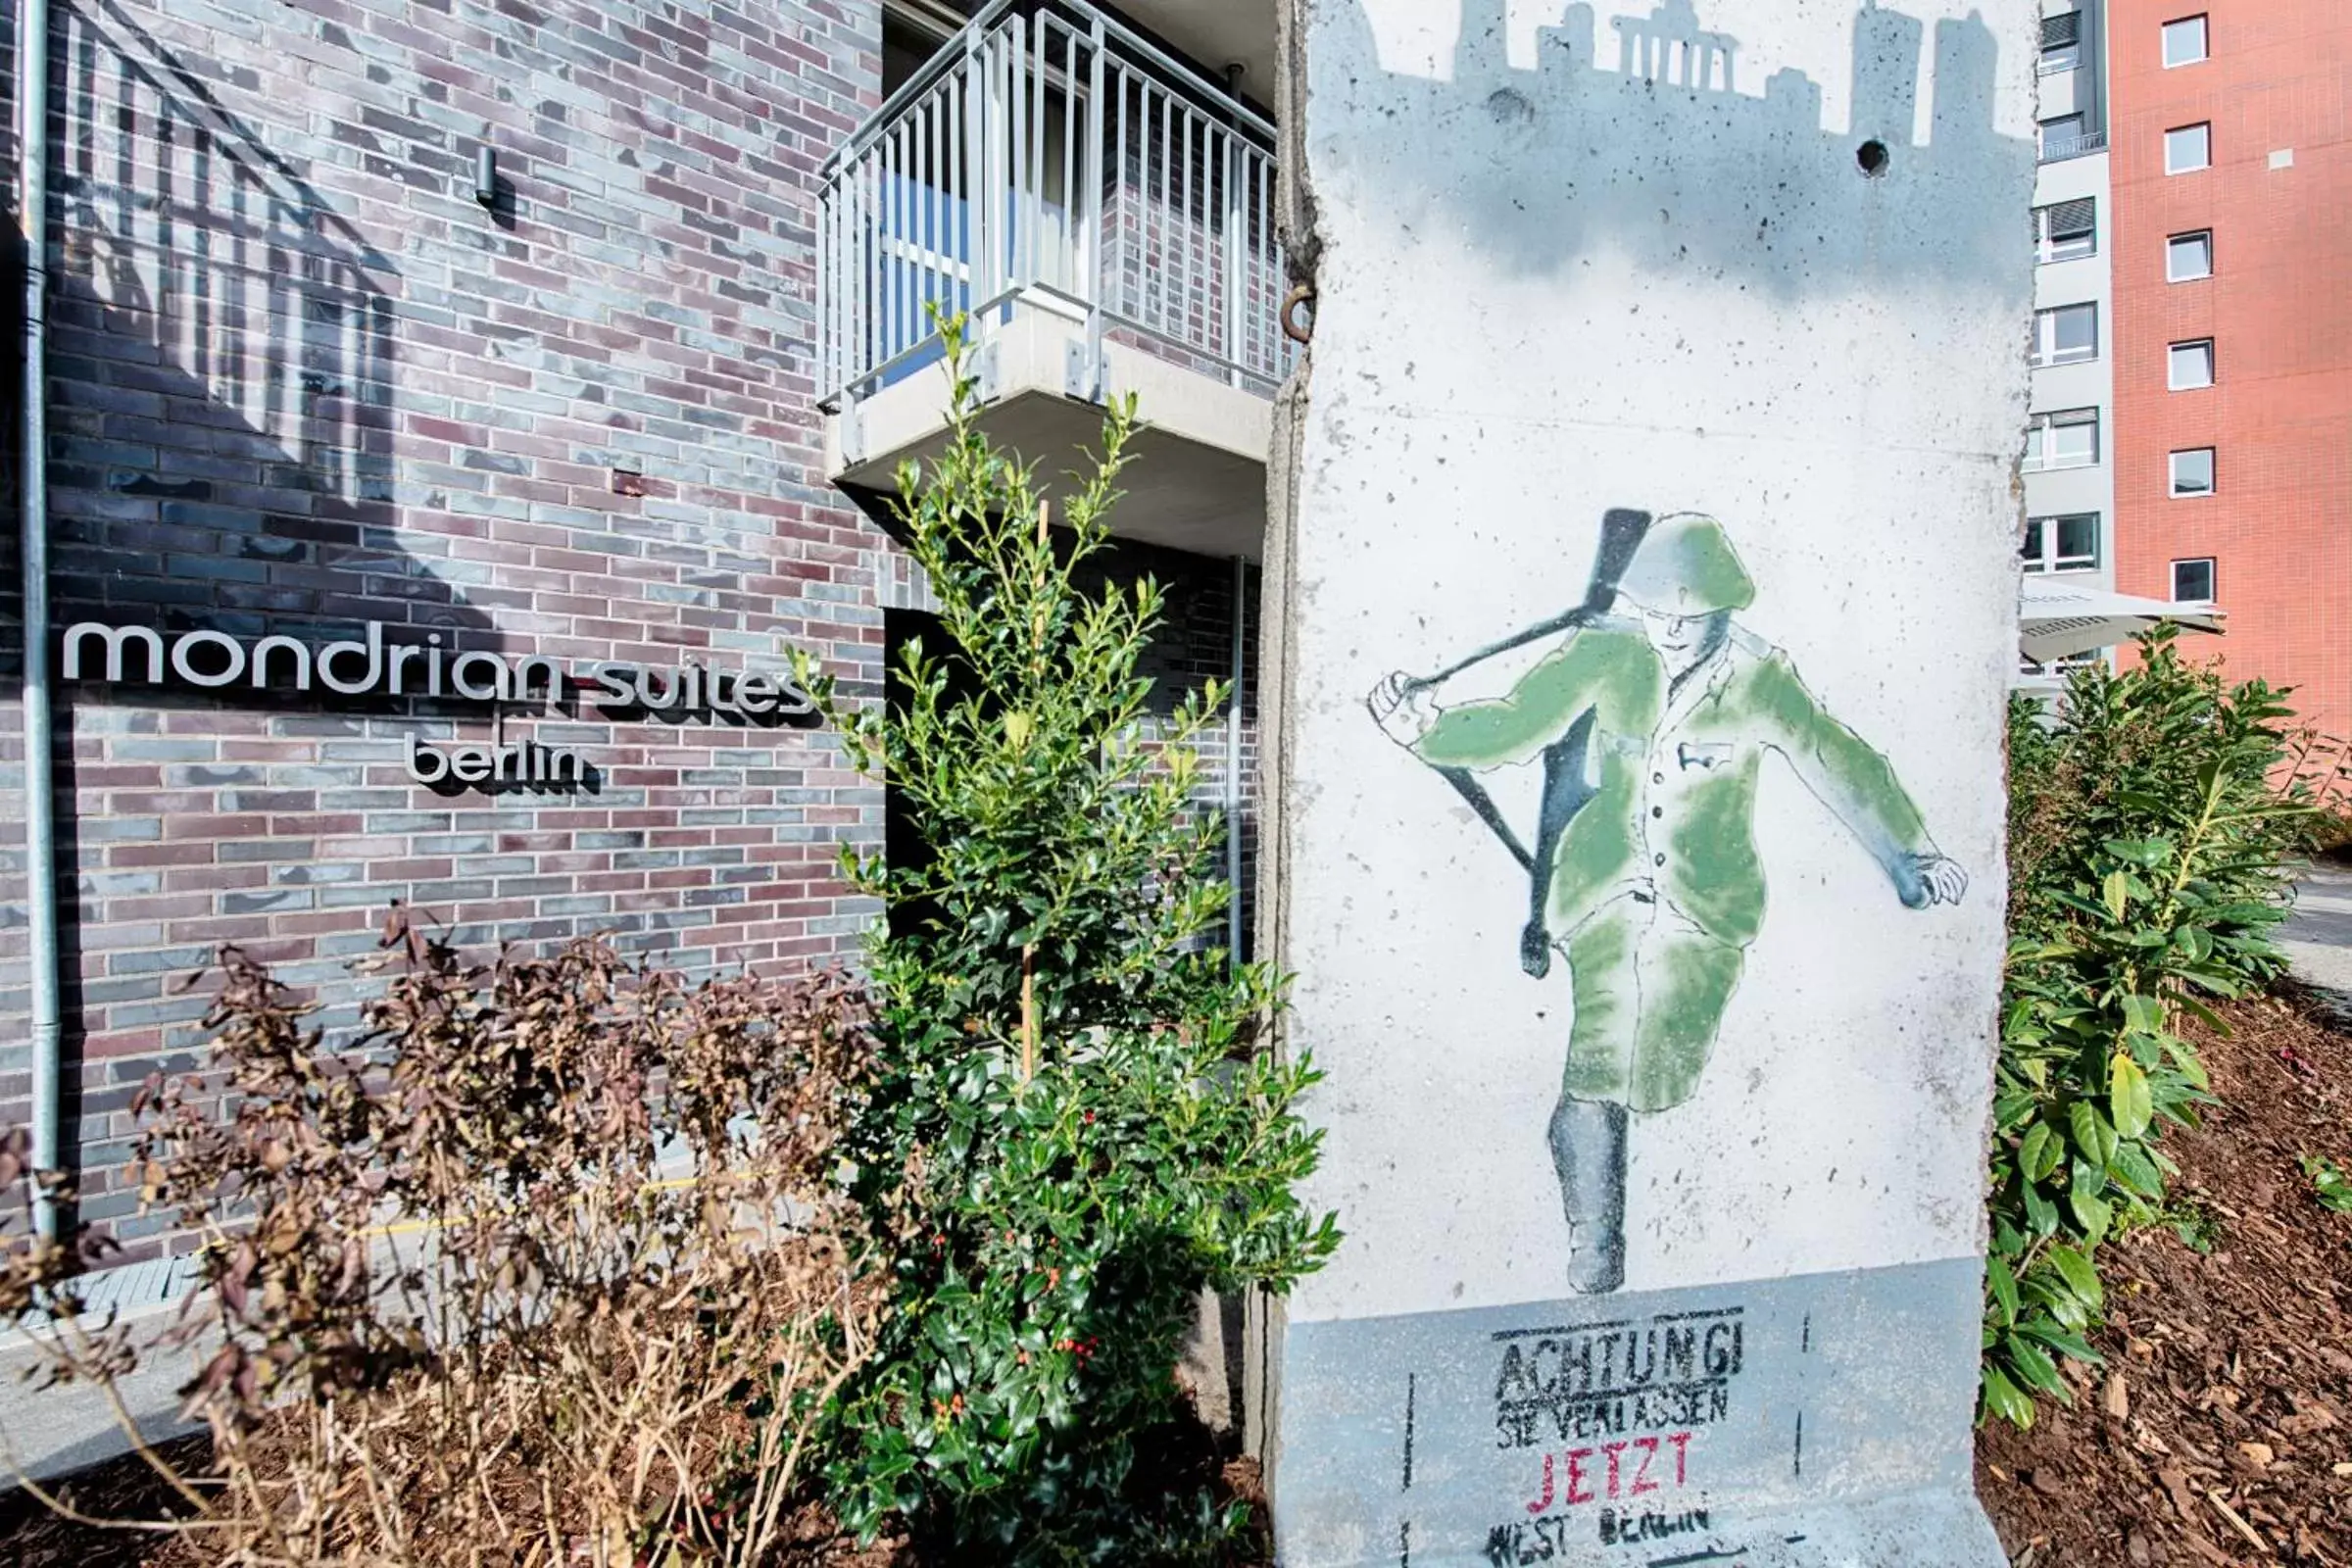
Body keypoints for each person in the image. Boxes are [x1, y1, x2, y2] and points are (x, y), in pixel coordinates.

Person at [1367, 513, 1967, 1294]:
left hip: (1705, 910)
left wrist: (1911, 852)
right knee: (1602, 1050)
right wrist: (1424, 728)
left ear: (1726, 609)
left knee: (1662, 1073)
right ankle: (1595, 1239)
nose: (1673, 632)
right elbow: (1517, 724)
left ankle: (1606, 1132)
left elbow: (1835, 756)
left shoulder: (1760, 678)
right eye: (1658, 614)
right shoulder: (1605, 652)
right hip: (1604, 890)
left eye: (1691, 617)